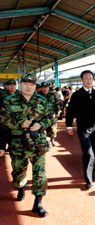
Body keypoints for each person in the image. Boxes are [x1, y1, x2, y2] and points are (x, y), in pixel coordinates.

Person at [0, 73, 56, 217]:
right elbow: (3, 120)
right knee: (19, 173)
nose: (28, 87)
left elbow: (51, 117)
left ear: (35, 86)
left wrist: (41, 124)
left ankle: (38, 203)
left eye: (31, 85)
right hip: (18, 144)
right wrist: (20, 123)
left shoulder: (42, 101)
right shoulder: (9, 100)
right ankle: (21, 187)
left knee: (40, 174)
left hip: (38, 144)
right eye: (26, 84)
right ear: (21, 84)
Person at [66, 70, 95, 189]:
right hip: (84, 129)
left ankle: (91, 174)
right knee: (88, 153)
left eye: (91, 78)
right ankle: (88, 179)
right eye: (86, 78)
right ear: (82, 80)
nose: (89, 80)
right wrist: (69, 125)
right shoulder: (77, 95)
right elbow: (70, 111)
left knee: (93, 151)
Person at [39, 82, 61, 146]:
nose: (45, 89)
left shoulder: (52, 95)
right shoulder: (38, 96)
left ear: (48, 88)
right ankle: (46, 141)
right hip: (42, 116)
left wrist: (58, 112)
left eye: (46, 88)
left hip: (52, 116)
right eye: (43, 88)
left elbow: (57, 104)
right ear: (41, 88)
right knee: (43, 130)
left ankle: (52, 139)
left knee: (53, 130)